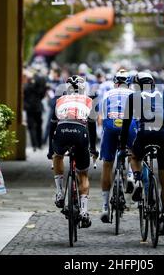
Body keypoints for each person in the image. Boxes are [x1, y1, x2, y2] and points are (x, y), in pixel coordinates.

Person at [119, 72, 164, 236]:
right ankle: (163, 217)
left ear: (138, 84)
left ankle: (137, 179)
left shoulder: (134, 96)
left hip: (144, 133)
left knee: (135, 157)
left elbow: (125, 125)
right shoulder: (162, 93)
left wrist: (123, 147)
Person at [47, 75, 98, 228]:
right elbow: (93, 128)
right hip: (80, 133)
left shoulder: (60, 100)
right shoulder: (89, 101)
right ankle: (84, 211)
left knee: (58, 156)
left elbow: (52, 127)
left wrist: (51, 150)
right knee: (82, 173)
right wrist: (93, 149)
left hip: (62, 131)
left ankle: (59, 193)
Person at [99, 70, 137, 224]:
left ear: (115, 83)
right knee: (134, 154)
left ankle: (104, 207)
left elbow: (101, 117)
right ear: (128, 83)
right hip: (129, 125)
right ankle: (129, 174)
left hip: (111, 125)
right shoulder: (134, 94)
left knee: (107, 165)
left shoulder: (108, 93)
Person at [24, 67, 47, 151]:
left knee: (31, 127)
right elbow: (43, 93)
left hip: (29, 107)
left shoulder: (27, 83)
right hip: (37, 106)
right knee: (38, 125)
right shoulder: (41, 81)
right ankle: (39, 144)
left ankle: (34, 144)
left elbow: (24, 93)